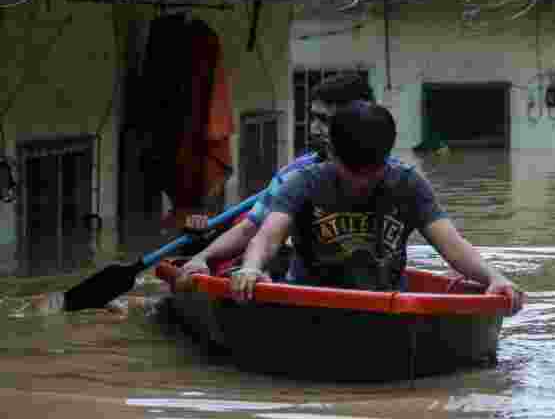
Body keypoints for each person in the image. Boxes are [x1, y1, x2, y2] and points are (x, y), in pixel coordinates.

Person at [229, 100, 525, 314]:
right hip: (311, 305)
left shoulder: (407, 184)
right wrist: (252, 268)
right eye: (352, 172)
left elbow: (454, 246)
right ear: (332, 153)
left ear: (387, 155)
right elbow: (266, 238)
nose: (363, 182)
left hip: (387, 304)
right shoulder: (302, 182)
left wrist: (494, 277)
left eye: (373, 172)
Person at [174, 72, 375, 291]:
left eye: (325, 121)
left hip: (372, 287)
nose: (313, 129)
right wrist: (204, 259)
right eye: (314, 118)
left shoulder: (401, 179)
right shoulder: (296, 176)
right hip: (307, 288)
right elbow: (255, 233)